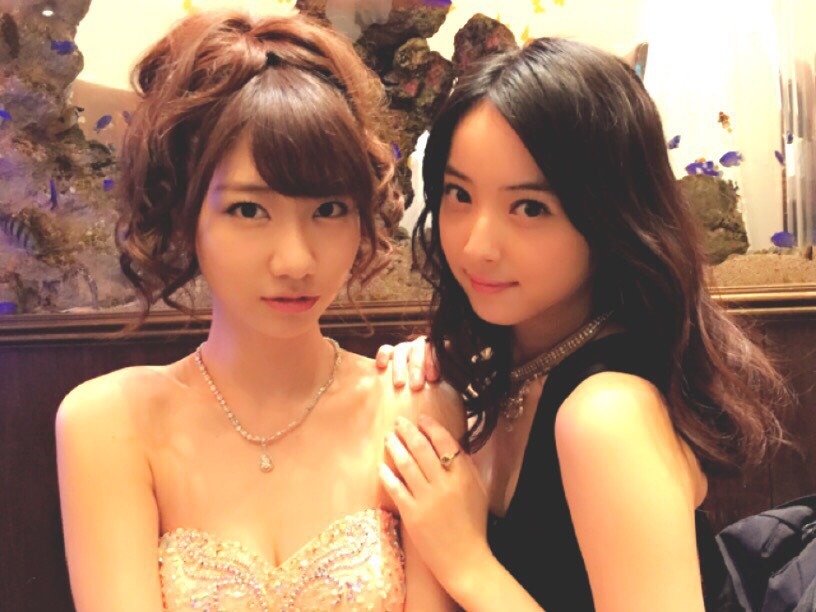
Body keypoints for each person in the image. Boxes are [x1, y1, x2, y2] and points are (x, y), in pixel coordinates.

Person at [55, 11, 465, 611]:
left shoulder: (415, 408)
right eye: (249, 210)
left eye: (328, 209)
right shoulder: (108, 423)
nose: (295, 261)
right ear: (185, 215)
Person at [375, 37, 791, 611]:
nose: (476, 245)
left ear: (611, 215)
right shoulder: (510, 364)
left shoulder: (606, 414)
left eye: (529, 207)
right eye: (459, 194)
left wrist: (467, 561)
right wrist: (433, 364)